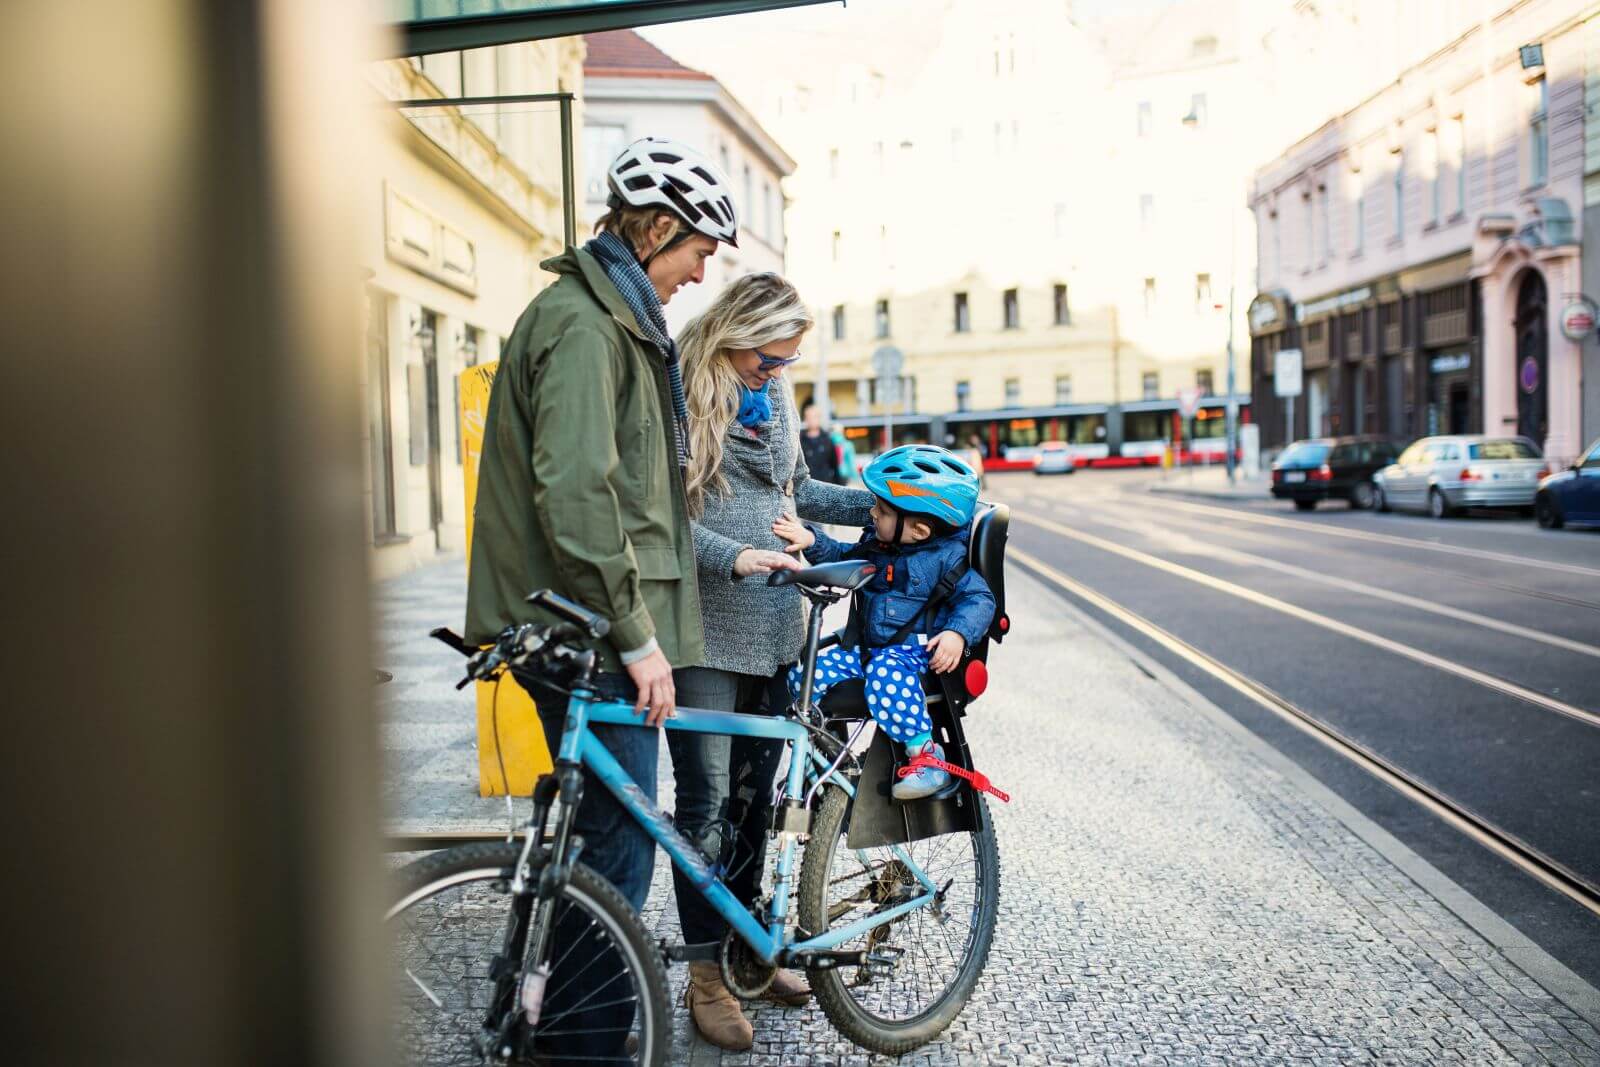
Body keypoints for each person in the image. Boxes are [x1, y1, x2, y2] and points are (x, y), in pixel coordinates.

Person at [463, 135, 743, 1061]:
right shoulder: (587, 326)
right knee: (618, 849)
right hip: (582, 627)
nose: (700, 274)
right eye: (699, 249)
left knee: (597, 840)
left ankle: (566, 1028)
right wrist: (638, 637)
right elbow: (580, 495)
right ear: (658, 227)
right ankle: (586, 1045)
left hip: (574, 617)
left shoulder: (605, 316)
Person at [672, 273, 874, 1050]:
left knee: (759, 800)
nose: (777, 372)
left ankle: (750, 949)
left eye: (788, 361)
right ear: (735, 333)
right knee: (706, 804)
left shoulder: (774, 388)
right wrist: (739, 558)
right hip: (706, 623)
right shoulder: (681, 387)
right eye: (769, 359)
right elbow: (662, 516)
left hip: (775, 624)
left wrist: (888, 503)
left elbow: (799, 489)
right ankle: (705, 977)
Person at [773, 445, 994, 800]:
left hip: (916, 657)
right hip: (868, 652)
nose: (872, 513)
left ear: (919, 530)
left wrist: (956, 633)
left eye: (882, 510)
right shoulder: (879, 544)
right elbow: (844, 558)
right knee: (802, 675)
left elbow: (979, 599)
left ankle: (925, 755)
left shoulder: (947, 559)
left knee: (885, 672)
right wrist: (811, 540)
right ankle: (823, 759)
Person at [799, 399, 842, 484]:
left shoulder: (827, 439)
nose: (811, 420)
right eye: (808, 417)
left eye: (814, 417)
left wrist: (839, 485)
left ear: (819, 418)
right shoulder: (800, 440)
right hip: (807, 485)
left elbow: (835, 466)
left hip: (826, 484)